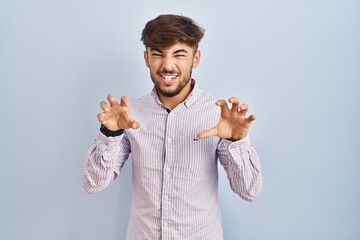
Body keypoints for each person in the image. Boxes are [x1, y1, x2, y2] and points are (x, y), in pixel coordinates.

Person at [83, 14, 262, 240]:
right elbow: (93, 184)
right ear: (146, 58)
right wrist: (110, 133)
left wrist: (236, 143)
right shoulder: (129, 114)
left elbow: (250, 191)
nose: (167, 65)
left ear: (195, 59)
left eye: (179, 54)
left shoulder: (219, 114)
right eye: (157, 54)